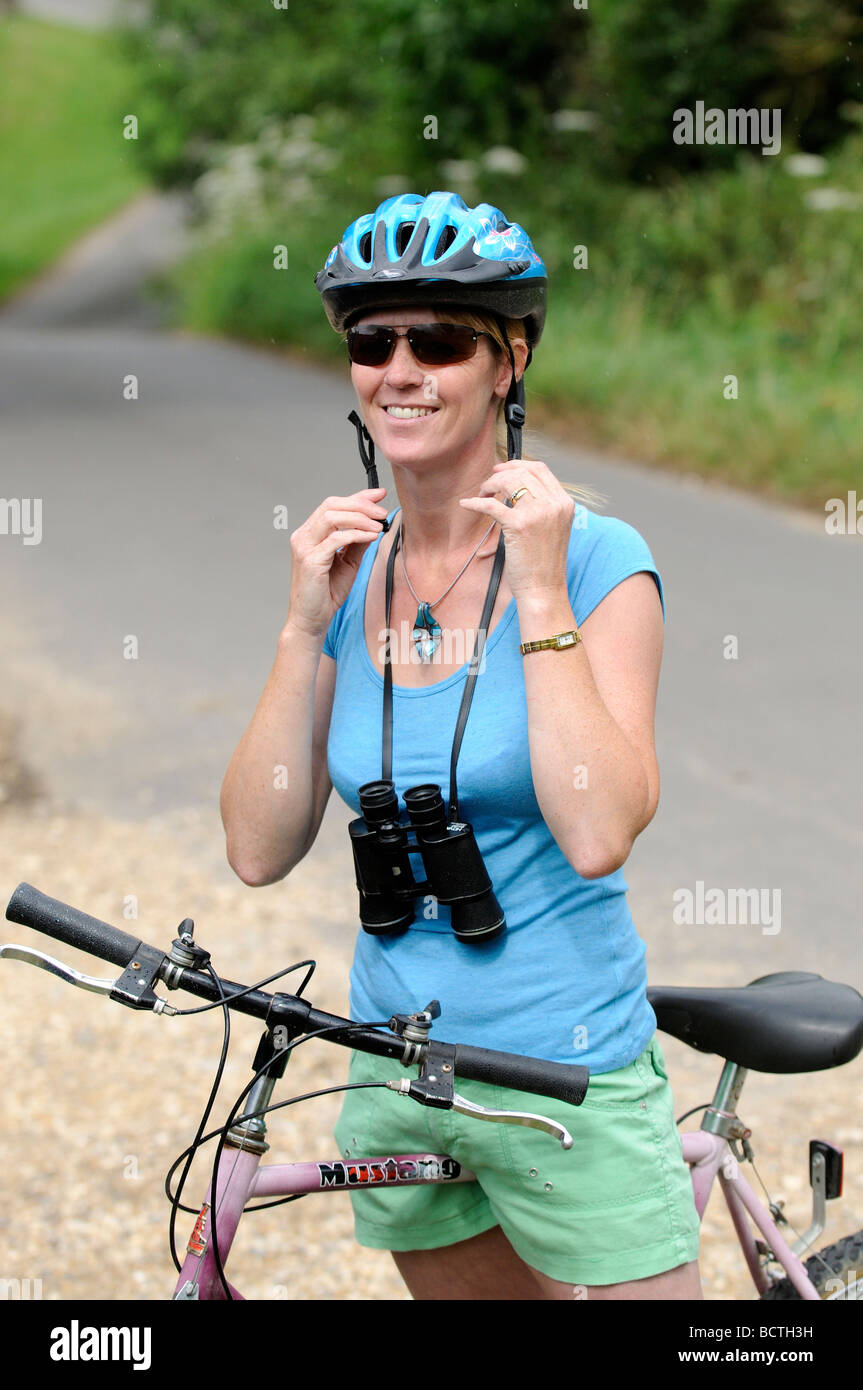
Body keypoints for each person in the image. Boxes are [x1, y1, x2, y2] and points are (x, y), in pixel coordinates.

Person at [220, 191, 702, 1300]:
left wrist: (535, 589)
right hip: (396, 1060)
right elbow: (255, 847)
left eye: (437, 339)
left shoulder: (595, 559)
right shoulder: (346, 566)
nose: (400, 369)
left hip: (562, 1064)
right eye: (370, 340)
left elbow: (596, 830)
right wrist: (301, 628)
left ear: (507, 360)